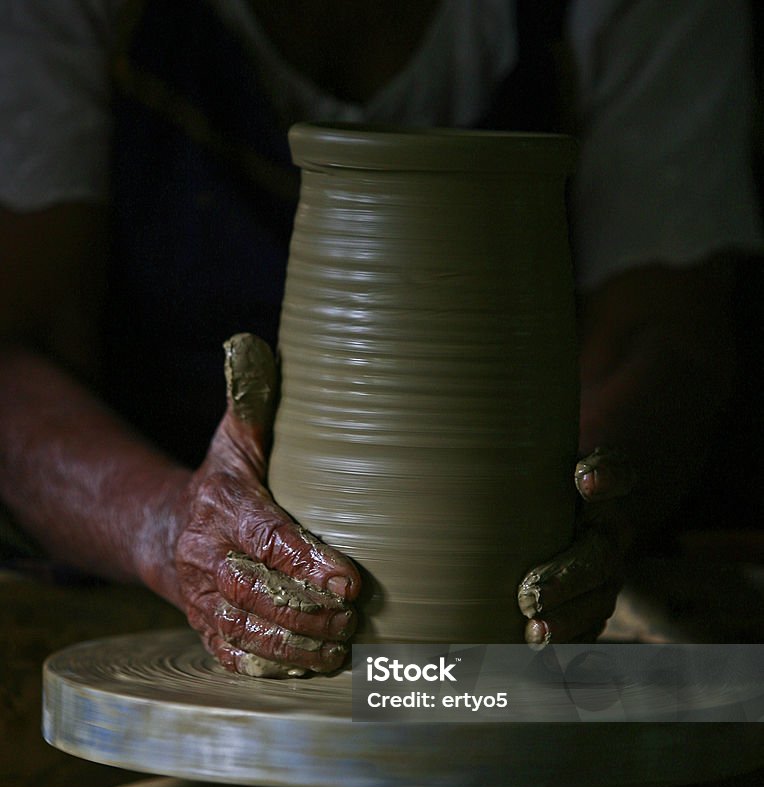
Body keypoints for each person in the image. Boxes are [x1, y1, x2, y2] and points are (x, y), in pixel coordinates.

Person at [0, 0, 761, 677]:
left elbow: (662, 333)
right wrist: (171, 528)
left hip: (507, 651)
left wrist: (551, 516)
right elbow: (18, 347)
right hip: (146, 591)